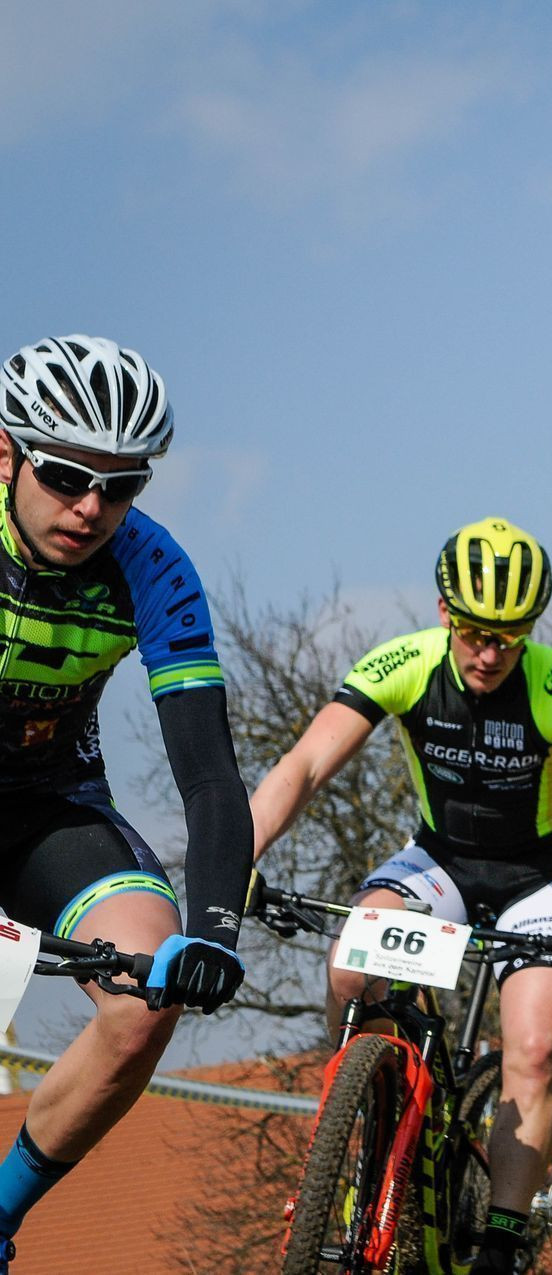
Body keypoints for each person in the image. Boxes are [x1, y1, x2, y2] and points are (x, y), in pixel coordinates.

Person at [250, 517, 552, 1274]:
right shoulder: (406, 662)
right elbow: (303, 766)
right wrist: (239, 858)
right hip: (441, 863)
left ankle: (500, 1236)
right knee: (350, 966)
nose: (490, 653)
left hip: (542, 880)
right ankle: (351, 1124)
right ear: (443, 613)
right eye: (474, 633)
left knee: (531, 1046)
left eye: (509, 636)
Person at [0, 336, 249, 1271]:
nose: (91, 507)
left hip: (47, 807)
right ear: (6, 453)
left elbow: (211, 778)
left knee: (144, 990)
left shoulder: (153, 567)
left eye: (122, 484)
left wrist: (214, 935)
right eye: (66, 475)